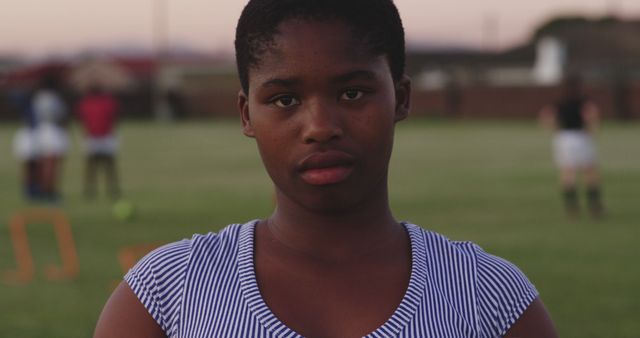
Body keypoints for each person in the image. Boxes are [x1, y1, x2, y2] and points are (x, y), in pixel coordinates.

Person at [95, 1, 558, 337]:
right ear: (246, 115)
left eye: (352, 93)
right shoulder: (164, 296)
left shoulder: (490, 298)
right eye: (285, 99)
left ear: (401, 97)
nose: (320, 127)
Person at [539, 76, 604, 218]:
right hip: (581, 136)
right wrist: (591, 128)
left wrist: (554, 128)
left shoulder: (560, 102)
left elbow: (545, 114)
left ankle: (572, 210)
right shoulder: (583, 100)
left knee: (568, 172)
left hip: (563, 138)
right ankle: (595, 208)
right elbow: (592, 113)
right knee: (589, 172)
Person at [76, 85, 121, 199]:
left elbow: (81, 119)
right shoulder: (108, 102)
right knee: (108, 165)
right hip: (105, 136)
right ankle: (111, 189)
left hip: (93, 137)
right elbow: (115, 117)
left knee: (92, 166)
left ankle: (91, 190)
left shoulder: (85, 103)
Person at [32, 72, 69, 203]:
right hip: (52, 131)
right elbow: (61, 116)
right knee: (51, 164)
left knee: (44, 163)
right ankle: (49, 192)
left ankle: (43, 190)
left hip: (41, 131)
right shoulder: (54, 98)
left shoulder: (38, 98)